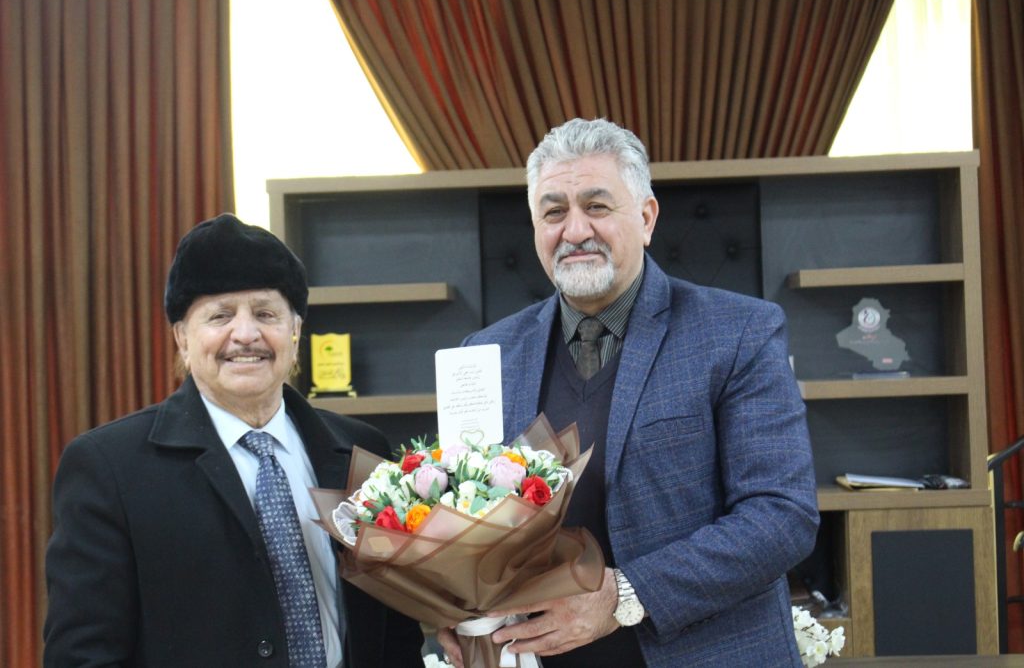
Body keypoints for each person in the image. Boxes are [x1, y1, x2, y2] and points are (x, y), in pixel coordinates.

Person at [439, 118, 819, 667]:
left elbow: (782, 516)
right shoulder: (485, 353)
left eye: (596, 206)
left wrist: (623, 596)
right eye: (553, 212)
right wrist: (455, 608)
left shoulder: (738, 333)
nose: (575, 231)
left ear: (645, 218)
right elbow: (460, 518)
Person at [44, 213, 424, 667]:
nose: (246, 334)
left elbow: (396, 634)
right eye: (220, 316)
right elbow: (82, 656)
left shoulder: (362, 451)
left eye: (265, 314)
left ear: (295, 331)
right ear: (183, 339)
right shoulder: (110, 467)